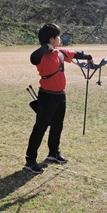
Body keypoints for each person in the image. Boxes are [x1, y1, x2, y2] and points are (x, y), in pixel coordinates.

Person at [24, 23, 94, 174]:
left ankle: (53, 152)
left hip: (60, 96)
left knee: (57, 126)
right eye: (58, 37)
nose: (60, 39)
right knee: (40, 128)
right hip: (47, 96)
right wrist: (46, 47)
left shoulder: (60, 52)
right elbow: (33, 58)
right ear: (51, 39)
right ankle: (30, 160)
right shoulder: (42, 55)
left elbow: (75, 53)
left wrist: (89, 57)